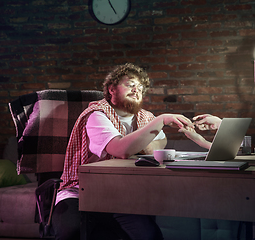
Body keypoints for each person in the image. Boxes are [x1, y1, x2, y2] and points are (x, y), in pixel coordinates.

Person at [51, 63, 220, 240]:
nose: (136, 89)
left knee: (150, 235)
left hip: (122, 194)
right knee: (71, 232)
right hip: (82, 191)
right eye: (130, 84)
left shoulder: (146, 117)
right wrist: (161, 120)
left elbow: (154, 149)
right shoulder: (97, 114)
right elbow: (120, 150)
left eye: (140, 87)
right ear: (112, 89)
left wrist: (195, 140)